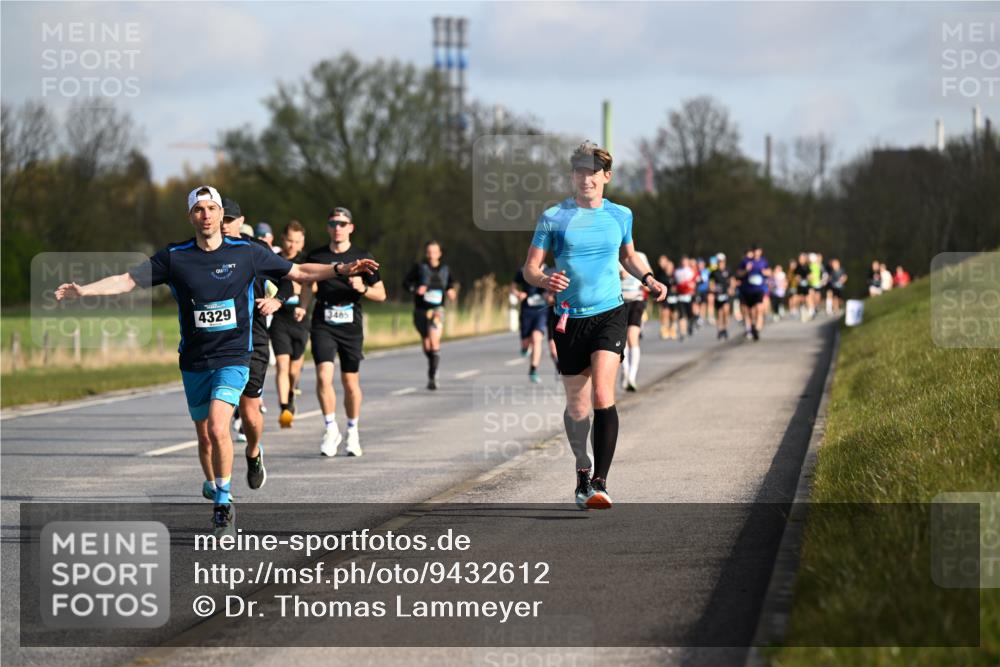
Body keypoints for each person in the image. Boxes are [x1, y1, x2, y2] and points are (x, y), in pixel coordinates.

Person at [55, 186, 378, 533]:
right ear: (190, 216)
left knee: (217, 425)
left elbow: (299, 273)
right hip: (195, 359)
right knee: (205, 437)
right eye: (199, 210)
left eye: (212, 208)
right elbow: (128, 280)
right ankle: (214, 484)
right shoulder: (175, 257)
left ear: (223, 215)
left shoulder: (247, 253)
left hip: (235, 355)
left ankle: (223, 500)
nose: (206, 215)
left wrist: (342, 269)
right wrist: (85, 290)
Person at [521, 141, 666, 511]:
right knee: (577, 408)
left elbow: (628, 256)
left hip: (610, 312)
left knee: (604, 395)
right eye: (579, 172)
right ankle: (582, 467)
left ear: (606, 177)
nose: (585, 179)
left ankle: (599, 482)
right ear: (572, 176)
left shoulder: (621, 215)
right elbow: (530, 268)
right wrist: (545, 280)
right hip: (569, 319)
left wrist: (648, 279)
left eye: (592, 172)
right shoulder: (553, 216)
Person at [301, 207, 387, 457]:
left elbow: (381, 294)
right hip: (323, 320)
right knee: (323, 377)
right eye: (333, 223)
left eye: (342, 223)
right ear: (328, 227)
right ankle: (330, 429)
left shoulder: (362, 257)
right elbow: (307, 283)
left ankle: (352, 431)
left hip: (350, 321)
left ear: (351, 227)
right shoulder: (316, 255)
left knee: (350, 382)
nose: (337, 227)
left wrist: (361, 288)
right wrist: (302, 308)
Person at [220, 198, 282, 497]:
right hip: (216, 341)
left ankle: (254, 451)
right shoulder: (202, 252)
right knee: (215, 422)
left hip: (252, 339)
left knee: (249, 412)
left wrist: (277, 300)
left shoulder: (256, 249)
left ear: (240, 220)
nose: (223, 225)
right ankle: (222, 491)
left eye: (229, 220)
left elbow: (290, 281)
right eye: (221, 218)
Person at [270, 220, 310, 428]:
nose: (292, 245)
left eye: (296, 241)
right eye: (288, 240)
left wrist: (303, 303)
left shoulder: (306, 261)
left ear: (302, 242)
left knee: (294, 369)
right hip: (280, 320)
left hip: (301, 320)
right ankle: (285, 408)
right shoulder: (274, 261)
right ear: (282, 239)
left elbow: (313, 287)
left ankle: (291, 394)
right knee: (282, 365)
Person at [404, 241, 457, 390]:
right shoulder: (419, 267)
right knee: (427, 344)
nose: (432, 254)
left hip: (437, 310)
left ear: (440, 253)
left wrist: (451, 292)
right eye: (429, 252)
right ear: (426, 253)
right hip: (420, 310)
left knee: (434, 342)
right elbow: (406, 283)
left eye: (435, 252)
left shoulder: (445, 269)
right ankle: (434, 362)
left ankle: (433, 376)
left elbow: (450, 285)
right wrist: (415, 289)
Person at [511, 266, 550, 383]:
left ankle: (533, 369)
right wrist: (518, 294)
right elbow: (512, 287)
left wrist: (550, 296)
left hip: (542, 311)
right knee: (526, 343)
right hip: (527, 311)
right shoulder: (524, 270)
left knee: (536, 338)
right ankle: (524, 348)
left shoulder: (549, 271)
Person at [619, 250, 650, 392]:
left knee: (633, 337)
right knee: (622, 339)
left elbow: (649, 273)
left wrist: (644, 281)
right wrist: (620, 275)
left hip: (637, 300)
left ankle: (632, 377)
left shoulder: (640, 256)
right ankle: (625, 372)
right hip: (619, 302)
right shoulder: (614, 255)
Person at [738, 244, 771, 341]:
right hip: (747, 290)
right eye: (755, 250)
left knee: (759, 309)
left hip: (759, 290)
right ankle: (750, 327)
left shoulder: (763, 262)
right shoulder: (746, 261)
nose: (757, 252)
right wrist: (746, 270)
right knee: (748, 311)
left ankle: (757, 329)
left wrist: (765, 272)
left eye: (758, 250)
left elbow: (769, 272)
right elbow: (739, 273)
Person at [709, 253, 733, 340]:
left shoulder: (728, 270)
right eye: (719, 261)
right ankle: (720, 329)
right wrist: (712, 288)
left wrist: (731, 288)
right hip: (718, 294)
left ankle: (725, 328)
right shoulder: (714, 272)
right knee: (719, 313)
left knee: (726, 311)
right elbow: (711, 282)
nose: (720, 263)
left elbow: (732, 280)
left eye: (722, 261)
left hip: (725, 293)